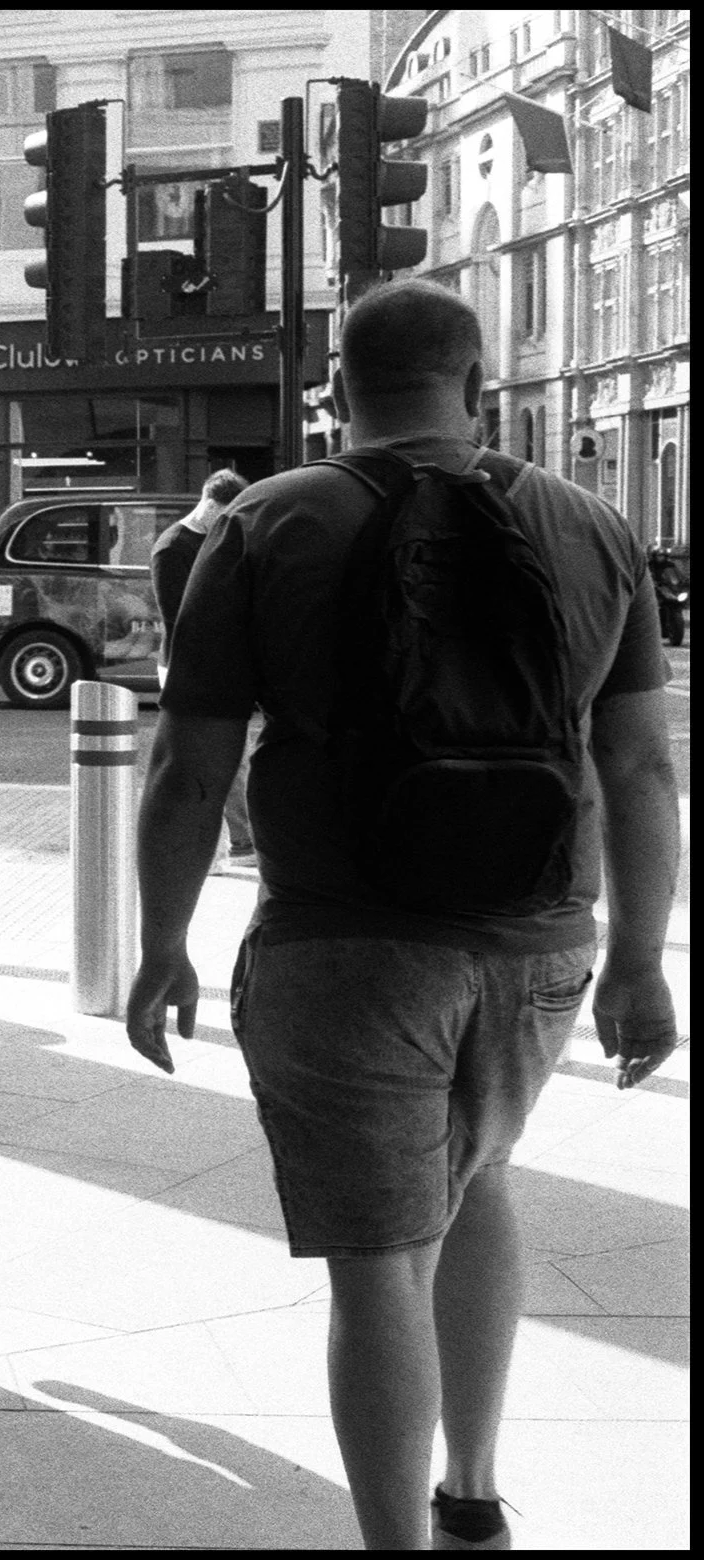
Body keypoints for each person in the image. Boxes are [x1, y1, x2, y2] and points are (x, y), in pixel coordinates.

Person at [128, 280, 680, 1552]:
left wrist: (160, 946)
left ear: (337, 390)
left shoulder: (266, 522)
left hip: (342, 945)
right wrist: (640, 960)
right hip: (540, 934)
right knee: (478, 1179)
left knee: (378, 1260)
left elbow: (188, 770)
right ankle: (471, 1493)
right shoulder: (590, 524)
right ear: (475, 384)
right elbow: (642, 767)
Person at [149, 468, 254, 868]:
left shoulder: (215, 537)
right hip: (187, 664)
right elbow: (178, 617)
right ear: (209, 503)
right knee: (216, 757)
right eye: (224, 513)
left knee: (223, 756)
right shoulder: (173, 547)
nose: (228, 521)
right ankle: (240, 844)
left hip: (212, 662)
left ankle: (230, 847)